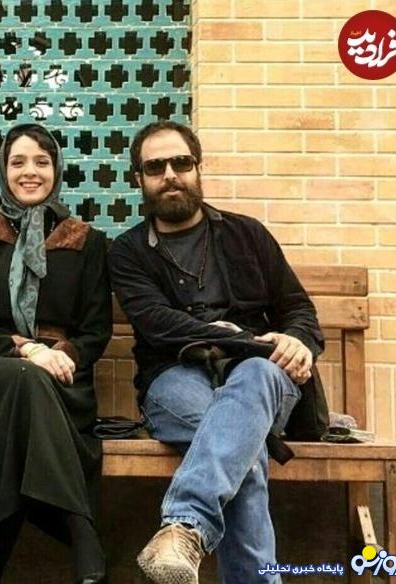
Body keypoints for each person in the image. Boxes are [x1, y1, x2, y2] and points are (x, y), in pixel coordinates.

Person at [108, 120, 324, 584]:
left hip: (260, 375)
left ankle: (185, 527)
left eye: (181, 162)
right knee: (242, 446)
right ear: (139, 179)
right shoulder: (127, 252)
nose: (170, 174)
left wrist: (297, 341)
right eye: (155, 167)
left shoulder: (248, 234)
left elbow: (298, 309)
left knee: (256, 376)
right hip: (176, 375)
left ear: (198, 168)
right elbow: (157, 322)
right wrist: (238, 337)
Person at [0, 123, 112, 584]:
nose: (29, 171)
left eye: (41, 161)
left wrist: (63, 355)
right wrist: (30, 350)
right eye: (17, 162)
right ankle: (83, 535)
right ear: (3, 169)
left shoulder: (87, 240)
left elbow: (95, 330)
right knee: (24, 379)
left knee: (16, 424)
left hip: (65, 382)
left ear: (57, 169)